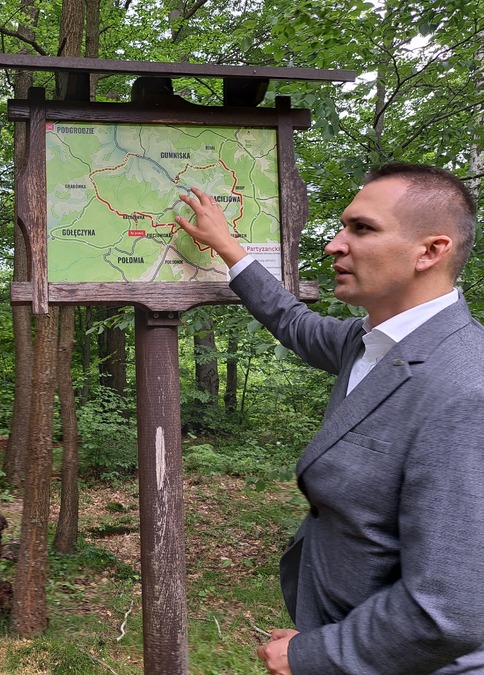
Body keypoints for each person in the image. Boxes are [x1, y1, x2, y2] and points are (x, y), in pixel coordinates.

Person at [176, 163, 484, 674]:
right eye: (344, 227)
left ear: (431, 250)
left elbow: (449, 610)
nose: (334, 245)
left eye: (362, 229)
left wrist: (312, 655)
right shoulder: (367, 345)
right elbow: (291, 320)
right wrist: (229, 249)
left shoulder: (466, 387)